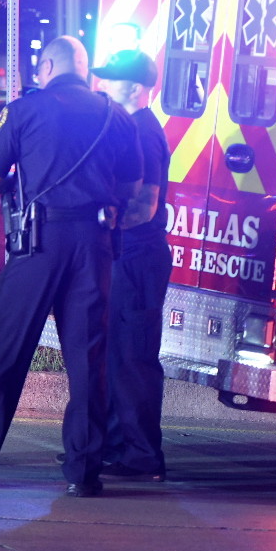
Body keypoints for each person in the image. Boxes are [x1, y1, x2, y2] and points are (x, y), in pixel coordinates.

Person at [0, 35, 142, 496]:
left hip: (39, 243)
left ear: (46, 66)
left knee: (6, 352)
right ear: (83, 69)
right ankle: (85, 473)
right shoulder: (116, 115)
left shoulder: (25, 111)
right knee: (88, 360)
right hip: (96, 245)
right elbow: (133, 188)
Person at [90, 49, 172, 483]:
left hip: (138, 255)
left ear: (137, 88)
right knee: (117, 352)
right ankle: (117, 447)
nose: (102, 84)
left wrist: (103, 218)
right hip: (129, 253)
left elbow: (145, 204)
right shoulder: (129, 126)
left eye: (112, 79)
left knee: (134, 357)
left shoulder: (142, 130)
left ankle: (142, 456)